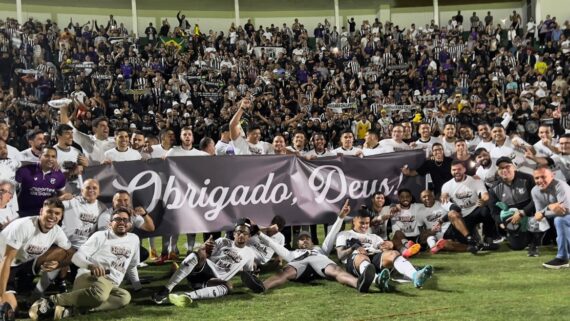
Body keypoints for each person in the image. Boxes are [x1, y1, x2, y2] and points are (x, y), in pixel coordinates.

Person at [242, 199, 382, 294]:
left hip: (319, 260)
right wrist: (260, 234)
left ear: (312, 241)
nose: (304, 240)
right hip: (299, 263)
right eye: (301, 239)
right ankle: (262, 286)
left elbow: (331, 235)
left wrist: (340, 217)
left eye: (307, 238)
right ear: (297, 243)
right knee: (285, 272)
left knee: (335, 270)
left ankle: (359, 283)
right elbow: (276, 246)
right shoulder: (293, 253)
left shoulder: (320, 249)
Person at [29, 207, 141, 320]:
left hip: (110, 284)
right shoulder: (101, 236)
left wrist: (138, 287)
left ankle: (72, 311)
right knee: (100, 295)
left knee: (124, 297)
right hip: (90, 277)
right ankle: (51, 301)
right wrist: (90, 266)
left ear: (130, 223)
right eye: (117, 219)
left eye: (125, 219)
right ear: (110, 223)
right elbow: (76, 257)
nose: (121, 222)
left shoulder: (134, 239)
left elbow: (131, 265)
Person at [151, 219, 257, 306]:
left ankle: (187, 295)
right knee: (196, 254)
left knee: (229, 286)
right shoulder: (222, 241)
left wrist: (254, 276)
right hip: (203, 270)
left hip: (213, 281)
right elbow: (205, 253)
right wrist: (204, 246)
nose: (241, 235)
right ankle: (165, 290)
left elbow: (248, 276)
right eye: (239, 232)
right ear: (234, 234)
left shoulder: (249, 254)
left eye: (245, 233)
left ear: (249, 236)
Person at [0, 198, 72, 317]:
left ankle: (35, 296)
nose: (52, 216)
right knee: (9, 311)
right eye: (49, 212)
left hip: (22, 263)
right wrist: (1, 296)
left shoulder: (57, 231)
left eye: (57, 213)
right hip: (4, 264)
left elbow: (72, 253)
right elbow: (6, 260)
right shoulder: (24, 226)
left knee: (61, 253)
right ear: (41, 211)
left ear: (61, 217)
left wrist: (59, 265)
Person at [335, 205, 433, 289]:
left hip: (374, 257)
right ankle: (377, 280)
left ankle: (415, 276)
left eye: (367, 223)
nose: (365, 226)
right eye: (362, 223)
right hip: (356, 261)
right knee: (361, 256)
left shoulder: (374, 237)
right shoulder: (344, 234)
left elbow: (385, 250)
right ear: (353, 221)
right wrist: (353, 248)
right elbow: (340, 256)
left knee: (393, 253)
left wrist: (388, 246)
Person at [488, 157, 543, 256]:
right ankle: (518, 235)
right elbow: (494, 212)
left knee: (543, 236)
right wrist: (501, 222)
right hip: (512, 219)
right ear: (498, 171)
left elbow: (537, 200)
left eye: (507, 167)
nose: (504, 170)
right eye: (501, 168)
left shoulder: (528, 179)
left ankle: (535, 241)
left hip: (529, 214)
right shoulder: (494, 188)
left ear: (514, 167)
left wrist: (522, 213)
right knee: (517, 246)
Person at [441, 160, 500, 249]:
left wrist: (483, 200)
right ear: (451, 171)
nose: (456, 172)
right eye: (454, 170)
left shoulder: (475, 180)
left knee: (486, 209)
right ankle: (472, 240)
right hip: (462, 216)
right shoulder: (447, 186)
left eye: (459, 169)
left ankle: (488, 238)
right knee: (449, 240)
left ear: (464, 169)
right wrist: (451, 205)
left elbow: (485, 194)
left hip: (475, 210)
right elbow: (444, 202)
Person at [531, 167, 570, 269]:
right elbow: (538, 213)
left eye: (543, 177)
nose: (540, 180)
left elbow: (565, 210)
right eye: (536, 178)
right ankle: (533, 246)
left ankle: (562, 258)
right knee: (532, 222)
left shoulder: (560, 186)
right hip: (555, 218)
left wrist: (544, 212)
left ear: (552, 175)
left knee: (560, 220)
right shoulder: (535, 190)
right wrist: (548, 208)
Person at [15, 147, 66, 217]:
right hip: (23, 213)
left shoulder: (59, 175)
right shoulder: (26, 170)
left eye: (53, 157)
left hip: (45, 215)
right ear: (40, 156)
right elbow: (12, 191)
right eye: (46, 156)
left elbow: (61, 195)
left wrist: (65, 197)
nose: (50, 159)